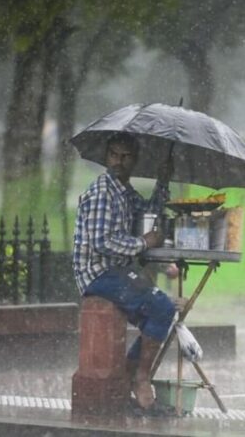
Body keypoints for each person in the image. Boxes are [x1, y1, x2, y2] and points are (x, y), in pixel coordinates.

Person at [72, 132, 177, 414]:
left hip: (117, 271)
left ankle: (127, 379)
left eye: (126, 156)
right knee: (163, 307)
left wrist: (163, 181)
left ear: (134, 160)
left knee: (159, 312)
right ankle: (140, 379)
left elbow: (149, 211)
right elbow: (102, 242)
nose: (119, 161)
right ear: (107, 157)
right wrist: (144, 243)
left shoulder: (123, 191)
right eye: (114, 155)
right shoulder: (101, 193)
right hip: (97, 273)